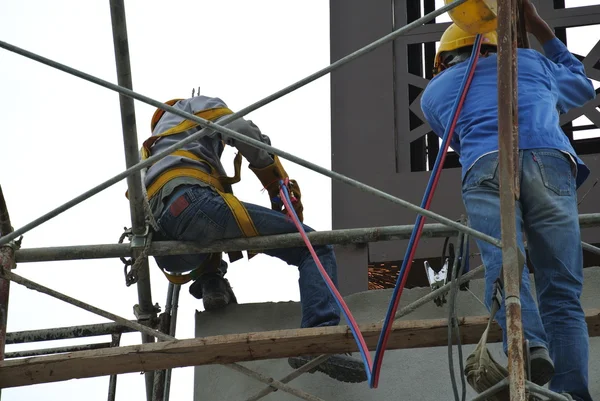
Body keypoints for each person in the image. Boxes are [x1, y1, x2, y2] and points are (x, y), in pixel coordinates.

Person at [420, 2, 596, 400]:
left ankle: (530, 345)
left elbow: (457, 138)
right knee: (562, 291)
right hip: (549, 160)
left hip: (486, 163)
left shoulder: (434, 93)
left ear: (444, 59)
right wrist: (538, 27)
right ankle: (572, 393)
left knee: (505, 267)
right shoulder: (532, 64)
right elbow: (582, 86)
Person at [139, 94, 366, 383]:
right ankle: (317, 339)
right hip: (194, 202)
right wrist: (274, 181)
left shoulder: (152, 152)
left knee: (211, 233)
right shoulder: (190, 107)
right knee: (315, 247)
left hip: (168, 244)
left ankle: (212, 282)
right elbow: (240, 131)